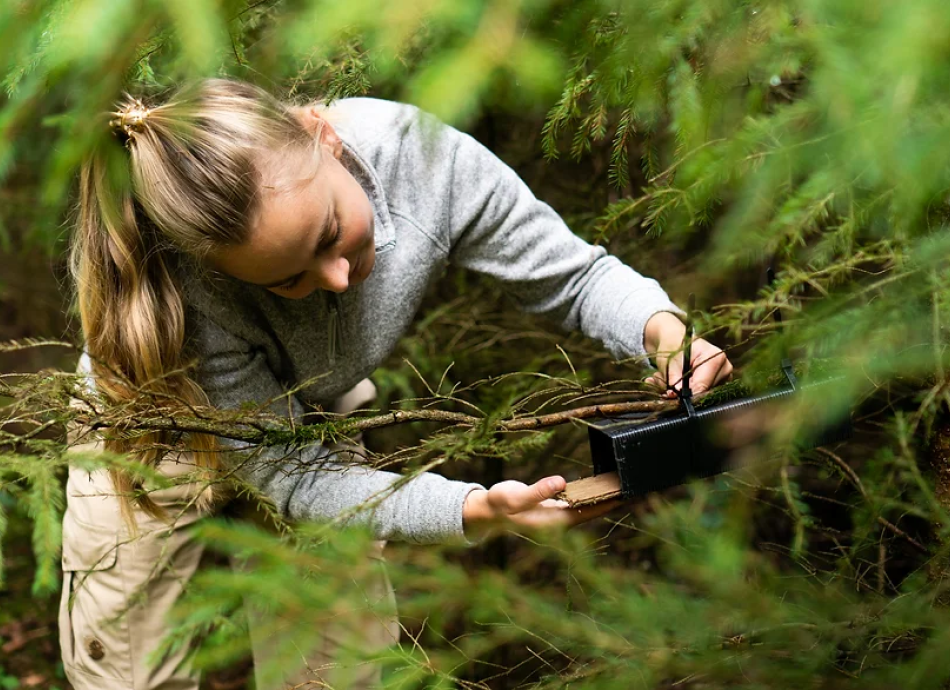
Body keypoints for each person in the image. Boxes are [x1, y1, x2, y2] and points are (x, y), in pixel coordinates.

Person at [61, 78, 733, 690]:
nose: (335, 280)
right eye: (286, 280)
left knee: (338, 664)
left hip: (313, 413)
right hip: (156, 422)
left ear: (323, 136)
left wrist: (662, 330)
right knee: (131, 666)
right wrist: (464, 508)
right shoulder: (188, 285)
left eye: (331, 234)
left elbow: (573, 277)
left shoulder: (424, 160)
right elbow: (293, 478)